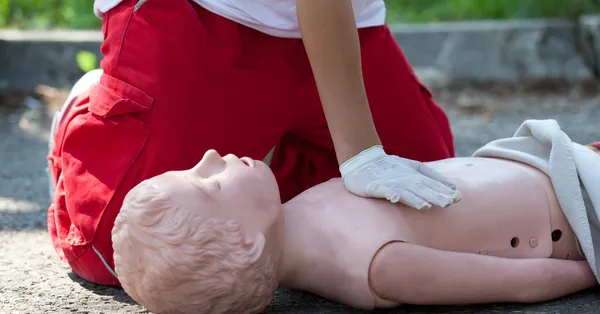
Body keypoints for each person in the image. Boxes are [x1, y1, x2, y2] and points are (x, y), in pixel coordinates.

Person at [47, 0, 459, 288]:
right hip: (202, 15)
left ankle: (278, 148)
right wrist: (362, 154)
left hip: (344, 24)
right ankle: (91, 111)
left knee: (436, 218)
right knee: (130, 251)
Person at [111, 120, 600, 314]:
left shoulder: (297, 217)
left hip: (553, 161)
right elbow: (516, 283)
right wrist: (588, 273)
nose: (210, 155)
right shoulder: (373, 267)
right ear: (246, 242)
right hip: (582, 208)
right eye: (207, 183)